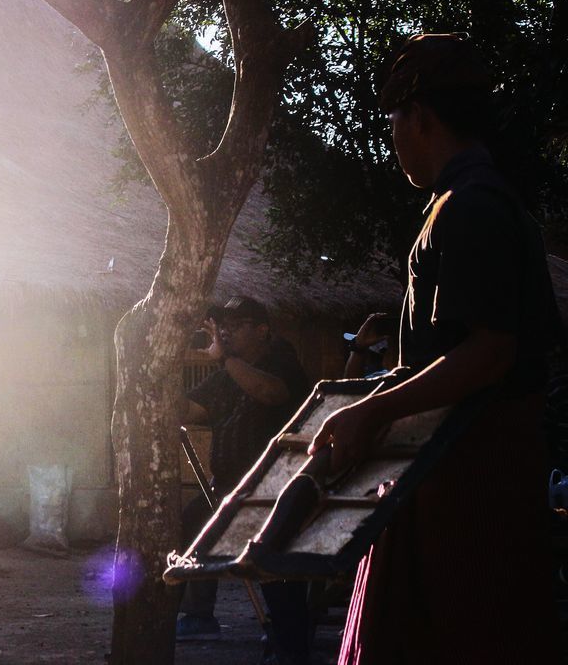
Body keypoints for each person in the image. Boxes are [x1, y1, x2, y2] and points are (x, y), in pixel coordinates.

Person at [310, 33, 561, 663]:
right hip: (441, 472)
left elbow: (489, 353)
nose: (393, 139)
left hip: (475, 481)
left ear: (419, 116)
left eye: (394, 123)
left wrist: (374, 410)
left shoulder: (473, 206)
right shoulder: (463, 202)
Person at [177, 296, 312, 663]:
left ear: (262, 330)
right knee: (182, 531)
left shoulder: (282, 360)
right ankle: (197, 615)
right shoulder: (225, 376)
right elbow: (189, 410)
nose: (225, 331)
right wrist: (166, 369)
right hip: (227, 491)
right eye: (222, 324)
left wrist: (224, 358)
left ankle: (290, 645)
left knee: (274, 566)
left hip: (276, 491)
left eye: (236, 325)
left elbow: (272, 393)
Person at [341, 313, 397, 379]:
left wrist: (357, 347)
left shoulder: (383, 379)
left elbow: (351, 385)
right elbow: (351, 384)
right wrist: (358, 347)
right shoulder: (379, 377)